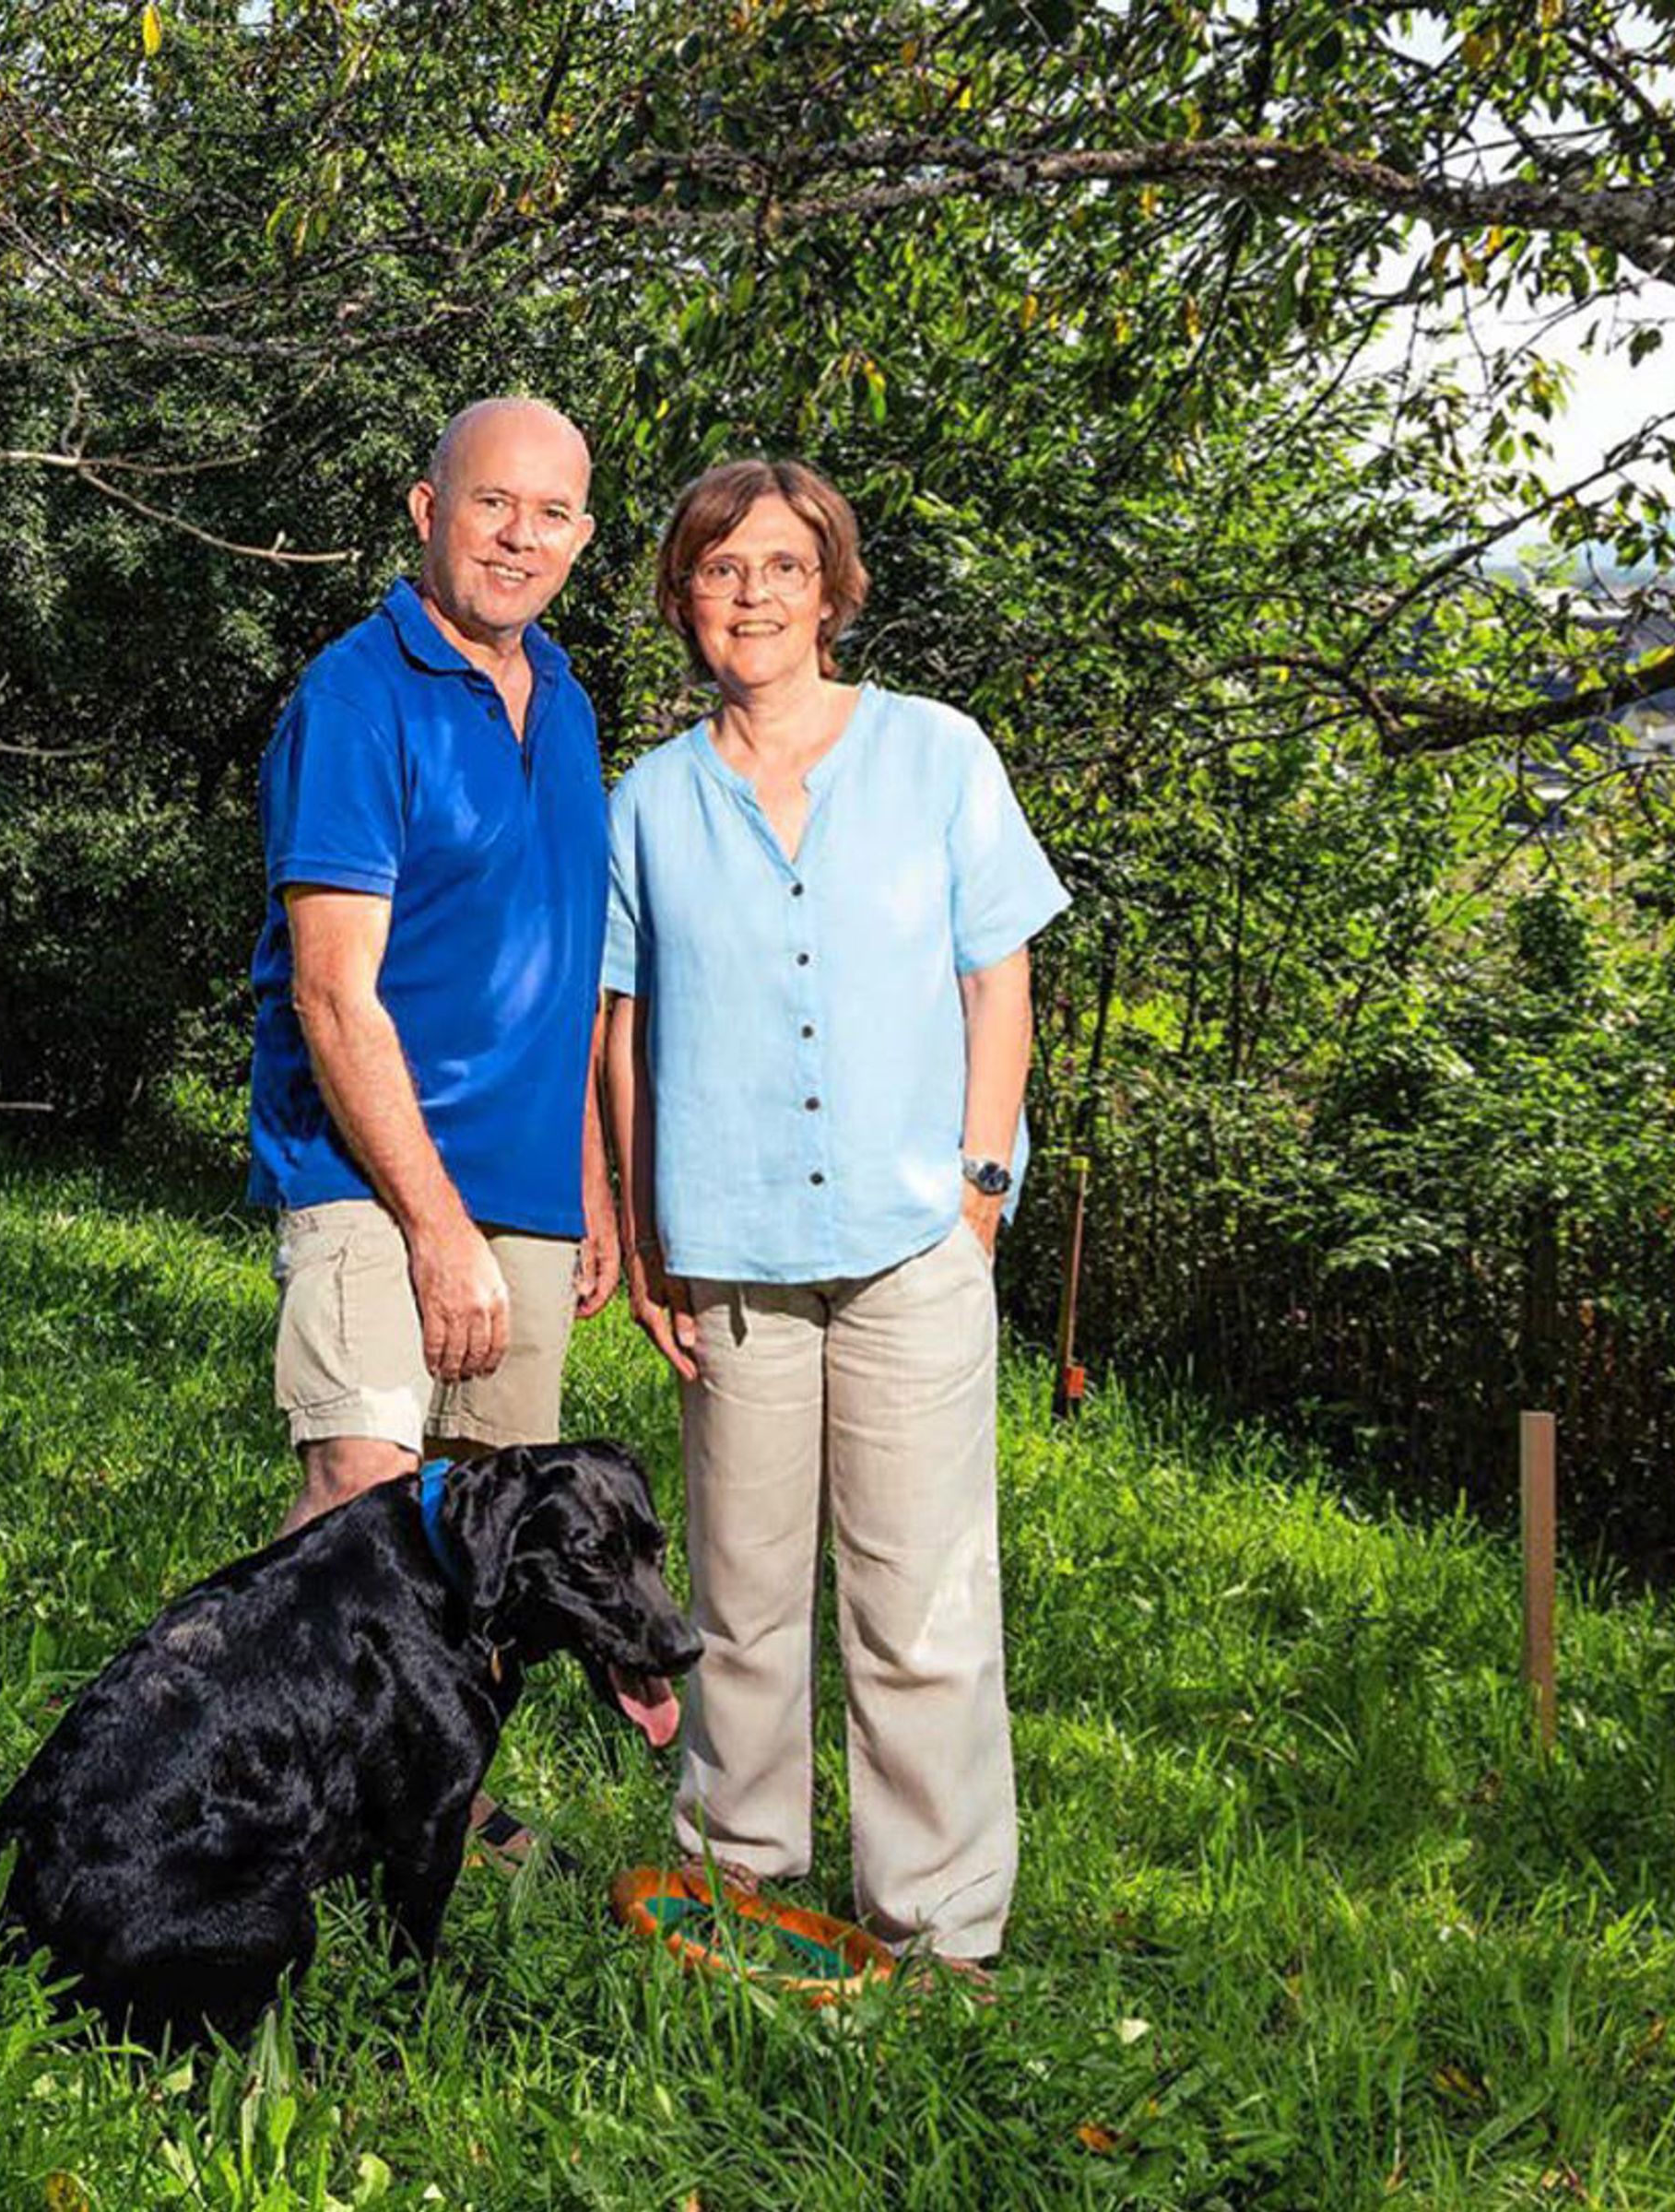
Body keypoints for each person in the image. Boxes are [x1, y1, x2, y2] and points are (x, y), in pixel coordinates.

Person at [597, 458, 1069, 1979]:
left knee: (920, 1600)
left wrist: (981, 1188)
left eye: (784, 568)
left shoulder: (937, 757)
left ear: (832, 589)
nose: (753, 596)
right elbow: (624, 1031)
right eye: (722, 570)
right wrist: (644, 1225)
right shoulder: (651, 803)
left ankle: (936, 1925)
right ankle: (738, 1881)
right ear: (682, 597)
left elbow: (999, 980)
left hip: (910, 1242)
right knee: (738, 1598)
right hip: (729, 1250)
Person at [244, 396, 622, 1862]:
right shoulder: (357, 697)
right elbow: (338, 996)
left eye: (550, 515)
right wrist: (437, 1226)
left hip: (526, 1193)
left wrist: (582, 1180)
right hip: (374, 1178)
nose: (518, 538)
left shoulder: (571, 702)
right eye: (490, 505)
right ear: (425, 510)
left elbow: (568, 966)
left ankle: (427, 1804)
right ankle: (275, 1783)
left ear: (583, 539)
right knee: (364, 1492)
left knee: (493, 1540)